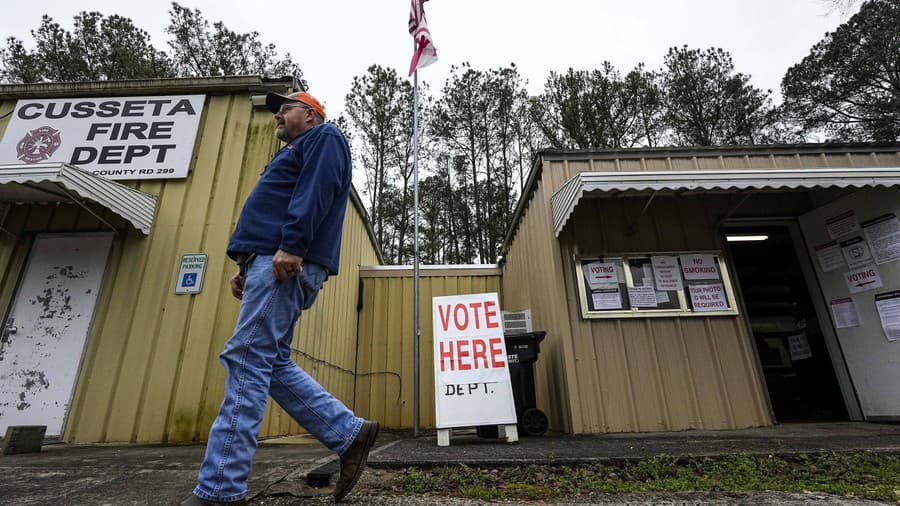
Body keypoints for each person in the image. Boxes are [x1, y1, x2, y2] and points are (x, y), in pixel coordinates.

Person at [183, 91, 379, 505]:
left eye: (284, 107)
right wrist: (244, 265)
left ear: (309, 115)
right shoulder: (295, 149)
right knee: (269, 363)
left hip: (284, 262)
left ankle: (220, 490)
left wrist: (292, 245)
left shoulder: (324, 137)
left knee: (247, 357)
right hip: (268, 263)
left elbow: (316, 191)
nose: (277, 114)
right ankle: (349, 433)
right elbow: (277, 206)